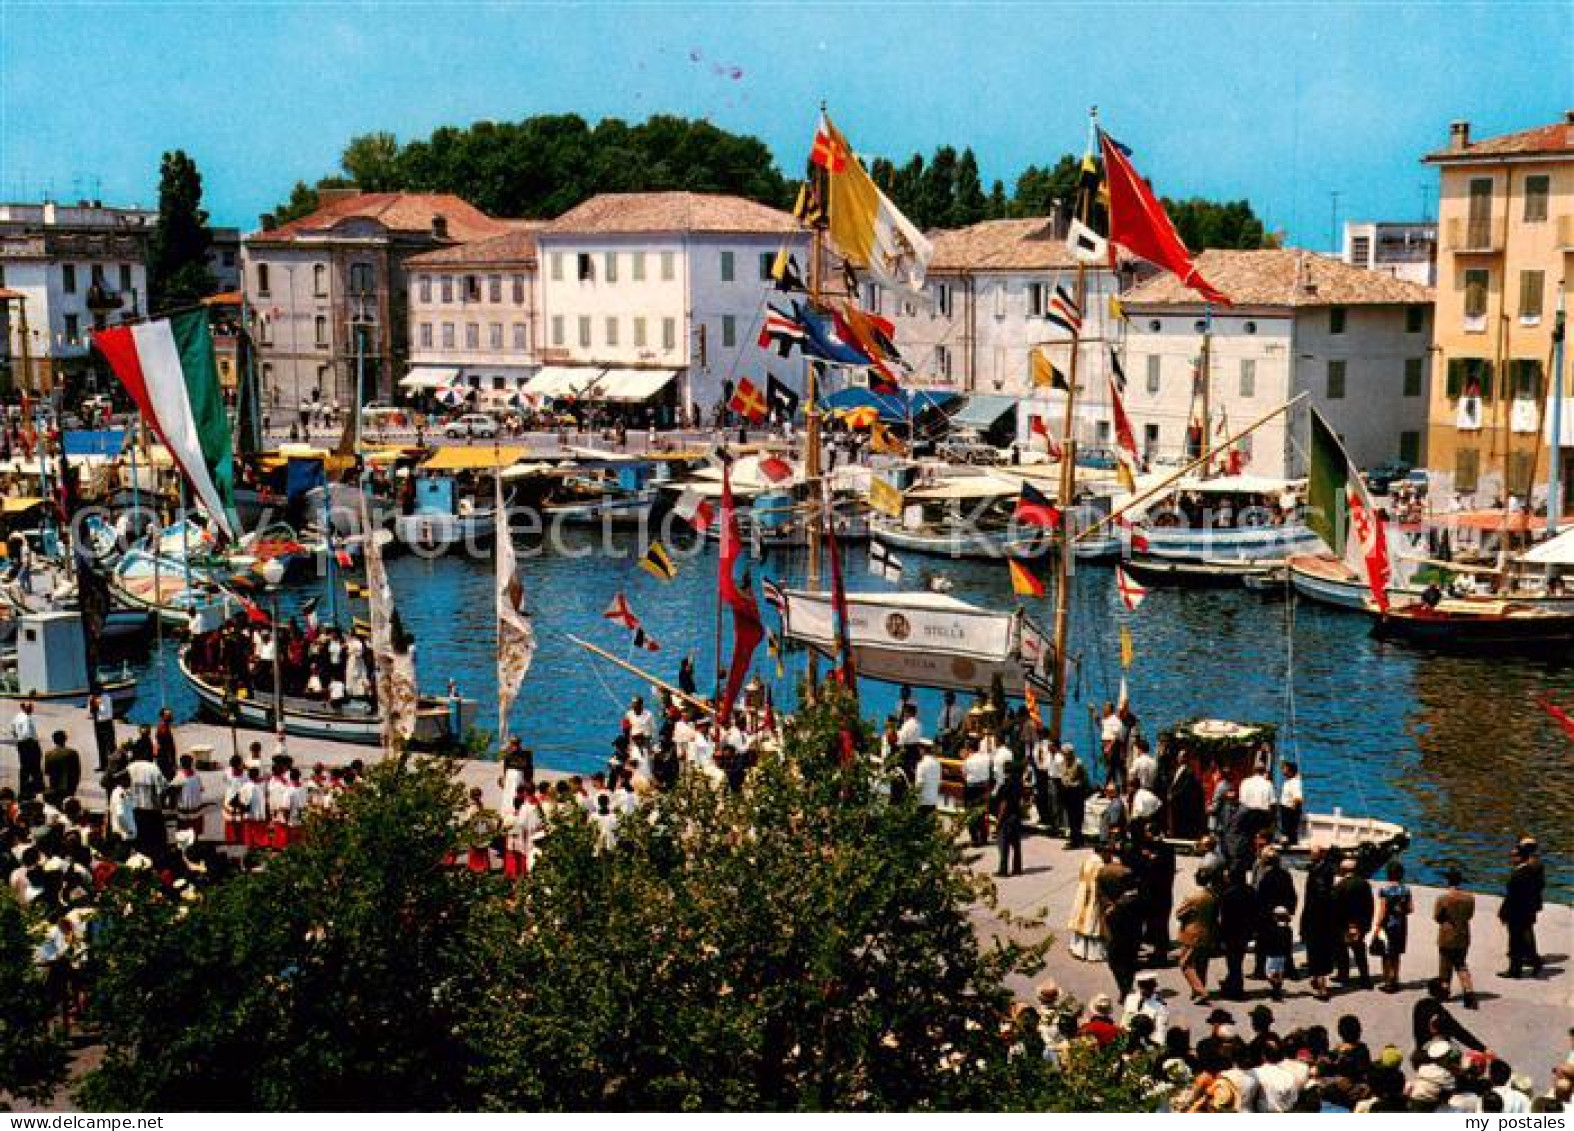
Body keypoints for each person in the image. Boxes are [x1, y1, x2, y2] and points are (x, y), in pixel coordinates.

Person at [1433, 866, 1478, 1008]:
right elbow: (1469, 916)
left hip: (1447, 935)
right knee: (1461, 964)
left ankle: (1445, 991)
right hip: (1463, 934)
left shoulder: (1443, 899)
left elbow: (1436, 917)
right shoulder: (1470, 898)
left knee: (1445, 965)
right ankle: (1469, 992)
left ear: (1448, 881)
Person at [1499, 839, 1545, 978]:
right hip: (1526, 909)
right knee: (1520, 938)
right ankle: (1526, 964)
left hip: (1517, 912)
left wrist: (1504, 912)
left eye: (1513, 856)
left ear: (1520, 857)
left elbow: (1512, 897)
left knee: (1515, 939)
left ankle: (1516, 969)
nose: (1511, 858)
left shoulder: (1520, 874)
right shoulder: (1528, 870)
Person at [1175, 869, 1220, 1004]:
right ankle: (1198, 990)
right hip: (1207, 933)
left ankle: (1200, 990)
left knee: (1185, 963)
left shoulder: (1192, 897)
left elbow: (1179, 914)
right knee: (1202, 963)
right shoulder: (1212, 896)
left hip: (1191, 933)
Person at [1301, 844, 1339, 1001]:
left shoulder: (1318, 876)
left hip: (1316, 920)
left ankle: (1322, 988)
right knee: (1319, 952)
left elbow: (1312, 898)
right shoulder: (1325, 870)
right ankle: (1318, 980)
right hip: (1324, 920)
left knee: (1317, 953)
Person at [1216, 866, 1258, 1000]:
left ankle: (1236, 989)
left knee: (1233, 961)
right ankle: (1231, 983)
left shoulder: (1228, 894)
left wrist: (1220, 936)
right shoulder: (1251, 891)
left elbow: (1225, 917)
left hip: (1231, 932)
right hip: (1244, 931)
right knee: (1238, 959)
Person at [1333, 856, 1374, 989]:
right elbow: (1370, 905)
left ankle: (1343, 975)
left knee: (1342, 951)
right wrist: (1367, 924)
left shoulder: (1340, 886)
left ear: (1343, 869)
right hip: (1361, 924)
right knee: (1360, 951)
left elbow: (1337, 907)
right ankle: (1365, 978)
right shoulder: (1364, 884)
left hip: (1343, 925)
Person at [1372, 860, 1413, 993]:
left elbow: (1382, 911)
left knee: (1386, 954)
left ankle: (1388, 982)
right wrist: (1400, 911)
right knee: (1396, 953)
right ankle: (1395, 979)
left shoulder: (1384, 890)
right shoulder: (1406, 890)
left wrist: (1377, 926)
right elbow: (1411, 909)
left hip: (1388, 925)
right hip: (1401, 925)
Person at [1067, 848, 1108, 962]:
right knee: (1093, 924)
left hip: (1083, 895)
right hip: (1094, 897)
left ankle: (1078, 949)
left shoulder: (1087, 861)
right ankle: (1093, 954)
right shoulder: (1101, 866)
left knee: (1082, 922)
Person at [994, 760, 1025, 877]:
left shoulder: (1006, 785)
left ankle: (1003, 869)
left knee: (1004, 844)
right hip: (1016, 815)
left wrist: (999, 820)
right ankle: (1017, 868)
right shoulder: (1019, 783)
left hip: (1007, 816)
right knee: (1016, 844)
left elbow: (1003, 803)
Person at [962, 740, 993, 848]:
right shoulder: (986, 758)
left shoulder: (968, 761)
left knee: (970, 813)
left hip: (971, 788)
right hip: (983, 787)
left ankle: (975, 839)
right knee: (982, 813)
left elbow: (964, 775)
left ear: (969, 749)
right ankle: (984, 837)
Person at [10, 701, 42, 800]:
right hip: (29, 745)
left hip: (21, 744)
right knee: (34, 769)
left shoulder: (17, 717)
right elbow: (27, 734)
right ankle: (36, 791)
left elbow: (13, 730)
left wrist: (18, 740)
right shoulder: (26, 719)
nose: (32, 708)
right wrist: (35, 748)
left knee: (24, 769)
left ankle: (23, 791)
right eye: (30, 707)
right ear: (24, 707)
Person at [1059, 744, 1090, 848]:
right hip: (1067, 792)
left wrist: (1078, 785)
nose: (1065, 756)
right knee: (1071, 817)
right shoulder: (1063, 763)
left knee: (1077, 817)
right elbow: (1063, 775)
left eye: (1066, 754)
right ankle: (1075, 838)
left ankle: (1076, 840)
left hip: (1076, 792)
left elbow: (1084, 778)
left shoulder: (1078, 763)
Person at [43, 729, 81, 803]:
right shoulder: (72, 753)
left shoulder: (49, 754)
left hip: (54, 785)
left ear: (54, 741)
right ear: (65, 739)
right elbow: (77, 771)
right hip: (69, 785)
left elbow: (47, 771)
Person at [173, 753, 205, 836]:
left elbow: (174, 791)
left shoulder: (179, 776)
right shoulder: (196, 775)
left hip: (184, 807)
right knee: (195, 827)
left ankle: (185, 845)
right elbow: (201, 789)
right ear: (191, 764)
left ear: (181, 764)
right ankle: (195, 842)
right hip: (195, 806)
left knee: (184, 828)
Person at [87, 692, 116, 773]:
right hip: (98, 722)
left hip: (106, 722)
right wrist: (91, 703)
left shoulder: (105, 697)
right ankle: (103, 764)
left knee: (110, 745)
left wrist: (96, 703)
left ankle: (114, 765)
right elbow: (89, 713)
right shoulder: (93, 697)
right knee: (100, 744)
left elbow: (104, 711)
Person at [1277, 761, 1303, 844]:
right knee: (1285, 829)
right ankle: (1285, 839)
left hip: (1289, 809)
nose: (1282, 771)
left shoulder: (1295, 782)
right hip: (1285, 808)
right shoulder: (1287, 782)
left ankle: (1291, 842)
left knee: (1290, 830)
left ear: (1290, 771)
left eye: (1285, 769)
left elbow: (1297, 798)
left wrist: (1293, 810)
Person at [913, 747, 942, 812]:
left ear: (922, 750)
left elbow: (919, 783)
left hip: (923, 800)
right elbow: (939, 781)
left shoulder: (922, 764)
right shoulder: (937, 763)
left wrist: (915, 795)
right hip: (933, 799)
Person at [154, 706, 178, 779]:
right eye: (168, 716)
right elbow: (167, 746)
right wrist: (172, 761)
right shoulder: (163, 728)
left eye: (170, 715)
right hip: (165, 757)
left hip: (164, 756)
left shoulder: (163, 726)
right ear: (163, 717)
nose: (171, 717)